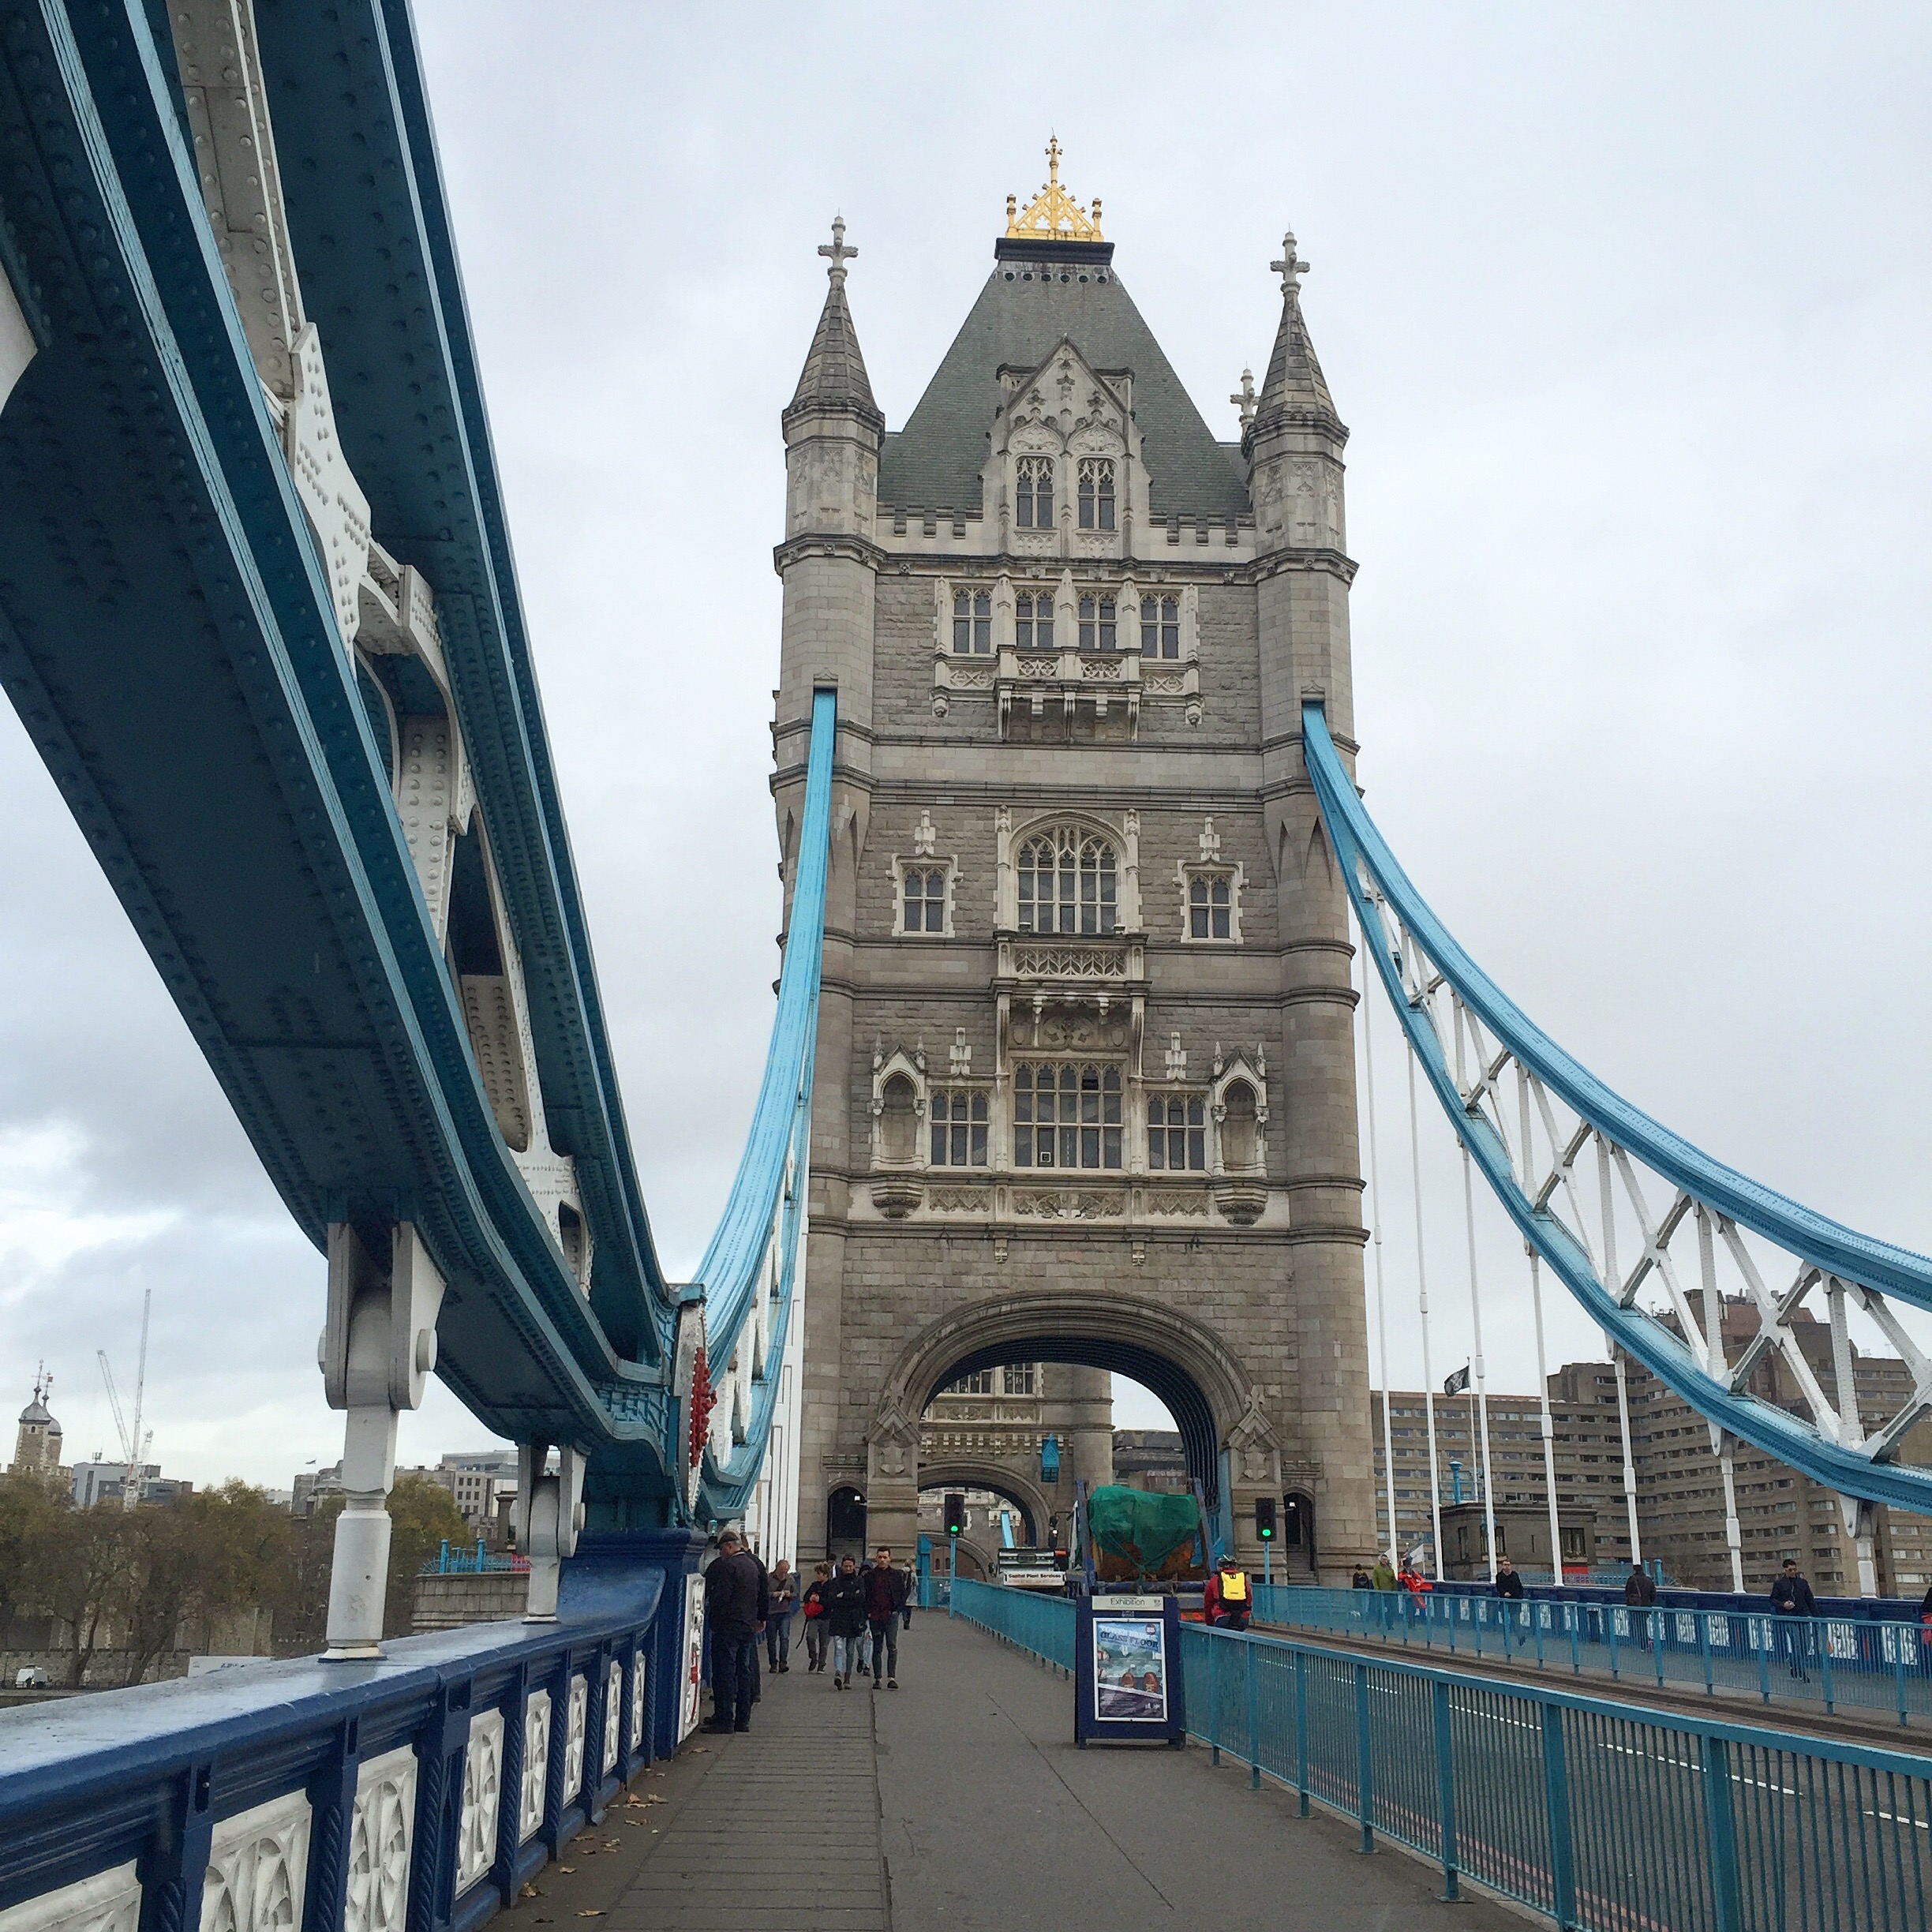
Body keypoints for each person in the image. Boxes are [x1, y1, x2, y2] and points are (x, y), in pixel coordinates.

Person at [702, 1529, 764, 1733]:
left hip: (728, 1627)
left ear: (729, 1546)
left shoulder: (728, 1566)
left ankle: (724, 1719)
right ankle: (742, 1720)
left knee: (724, 1673)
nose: (720, 1553)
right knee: (743, 1672)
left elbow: (721, 1598)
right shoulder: (752, 1565)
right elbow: (761, 1593)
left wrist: (714, 1621)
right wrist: (760, 1618)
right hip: (747, 1625)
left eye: (721, 1549)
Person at [864, 1543, 911, 1687]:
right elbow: (866, 1596)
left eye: (885, 1557)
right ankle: (878, 1678)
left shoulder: (896, 1575)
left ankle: (891, 1678)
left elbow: (904, 1592)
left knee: (892, 1646)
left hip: (891, 1615)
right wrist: (868, 1612)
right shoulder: (870, 1576)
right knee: (877, 1647)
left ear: (890, 1559)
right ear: (876, 1559)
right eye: (880, 1557)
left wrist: (898, 1608)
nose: (883, 1560)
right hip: (876, 1616)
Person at [1769, 1558, 1817, 1680]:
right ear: (1785, 1570)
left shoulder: (1802, 1583)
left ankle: (1795, 1666)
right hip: (1789, 1617)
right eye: (1790, 1570)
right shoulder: (1779, 1584)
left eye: (1795, 1570)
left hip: (1803, 1616)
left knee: (1806, 1645)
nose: (1793, 1572)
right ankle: (1802, 1671)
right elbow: (1773, 1599)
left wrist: (1817, 1617)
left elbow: (1810, 1600)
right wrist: (1783, 1604)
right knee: (1796, 1644)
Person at [825, 1553, 867, 1688]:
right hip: (838, 1617)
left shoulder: (859, 1580)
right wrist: (851, 1597)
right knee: (838, 1647)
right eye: (846, 1566)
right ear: (841, 1567)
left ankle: (848, 1676)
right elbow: (832, 1599)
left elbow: (861, 1597)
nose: (848, 1569)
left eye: (850, 1566)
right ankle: (839, 1672)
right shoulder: (835, 1582)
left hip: (853, 1619)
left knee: (850, 1650)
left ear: (854, 1566)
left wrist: (844, 1596)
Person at [766, 1557, 798, 1674]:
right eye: (782, 1570)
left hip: (785, 1612)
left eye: (786, 1570)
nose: (784, 1573)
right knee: (771, 1639)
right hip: (771, 1612)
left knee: (784, 1638)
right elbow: (763, 1593)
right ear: (777, 1568)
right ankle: (773, 1663)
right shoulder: (769, 1579)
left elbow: (796, 1594)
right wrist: (773, 1594)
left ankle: (783, 1662)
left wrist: (790, 1595)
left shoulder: (790, 1579)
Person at [1204, 1553, 1252, 1631]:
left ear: (1220, 1567)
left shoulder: (1215, 1580)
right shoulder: (1242, 1579)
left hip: (1222, 1617)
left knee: (1220, 1641)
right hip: (1242, 1618)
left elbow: (1208, 1603)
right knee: (1239, 1640)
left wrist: (1209, 1623)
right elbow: (1248, 1599)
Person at [800, 1562, 833, 1672]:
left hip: (827, 1617)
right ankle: (813, 1657)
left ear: (825, 1574)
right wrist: (810, 1598)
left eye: (819, 1573)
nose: (817, 1575)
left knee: (824, 1643)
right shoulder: (814, 1585)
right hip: (814, 1617)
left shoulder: (832, 1586)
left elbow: (831, 1602)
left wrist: (820, 1600)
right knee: (810, 1637)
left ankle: (821, 1664)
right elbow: (805, 1597)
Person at [1624, 1560, 1658, 1650]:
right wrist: (1649, 1602)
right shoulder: (1649, 1580)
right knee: (1643, 1624)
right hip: (1646, 1606)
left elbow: (1627, 1592)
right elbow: (1653, 1594)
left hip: (1635, 1606)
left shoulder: (1632, 1580)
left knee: (1639, 1626)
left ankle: (1644, 1644)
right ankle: (1647, 1641)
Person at [1493, 1554, 1526, 1648]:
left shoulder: (1515, 1575)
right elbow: (1499, 1587)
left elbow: (1518, 1587)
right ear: (1502, 1566)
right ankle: (1506, 1641)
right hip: (1504, 1602)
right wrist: (1504, 1594)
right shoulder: (1499, 1576)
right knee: (1505, 1622)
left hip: (1515, 1602)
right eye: (1505, 1565)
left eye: (1508, 1564)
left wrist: (1515, 1595)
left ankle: (1521, 1637)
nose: (1507, 1566)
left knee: (1516, 1621)